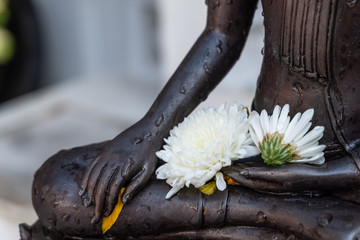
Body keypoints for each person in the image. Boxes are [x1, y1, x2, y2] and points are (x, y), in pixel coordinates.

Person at [20, 0, 360, 239]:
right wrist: (148, 133)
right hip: (257, 152)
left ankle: (279, 216)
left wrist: (333, 173)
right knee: (59, 187)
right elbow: (221, 34)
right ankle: (278, 212)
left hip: (347, 172)